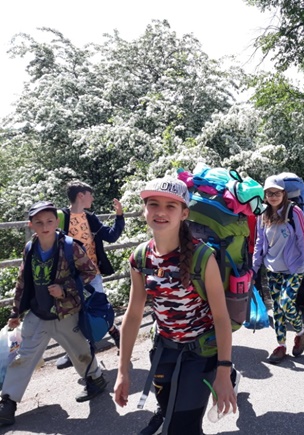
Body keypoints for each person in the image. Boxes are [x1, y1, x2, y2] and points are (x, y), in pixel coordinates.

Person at [113, 178, 237, 435]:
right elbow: (133, 315)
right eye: (153, 204)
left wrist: (223, 371)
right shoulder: (140, 257)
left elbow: (221, 317)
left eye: (171, 206)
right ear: (144, 210)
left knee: (183, 428)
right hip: (164, 351)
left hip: (200, 354)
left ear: (184, 213)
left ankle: (229, 376)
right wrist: (123, 371)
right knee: (169, 411)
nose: (161, 211)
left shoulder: (203, 257)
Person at [0, 201, 107, 427]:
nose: (45, 226)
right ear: (31, 225)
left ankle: (95, 380)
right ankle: (7, 403)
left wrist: (64, 288)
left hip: (66, 312)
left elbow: (89, 272)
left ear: (56, 221)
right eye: (39, 222)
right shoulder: (30, 248)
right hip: (38, 313)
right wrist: (15, 312)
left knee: (80, 351)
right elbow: (22, 281)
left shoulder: (70, 247)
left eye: (49, 221)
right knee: (23, 357)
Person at [56, 180, 125, 369]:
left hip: (92, 272)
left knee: (98, 309)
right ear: (81, 195)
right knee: (73, 313)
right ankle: (78, 352)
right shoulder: (61, 217)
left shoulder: (90, 217)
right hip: (70, 276)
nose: (92, 198)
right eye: (90, 194)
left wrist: (119, 216)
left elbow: (111, 236)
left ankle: (112, 334)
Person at [252, 175, 304, 364]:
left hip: (294, 268)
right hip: (272, 268)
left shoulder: (294, 212)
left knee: (285, 302)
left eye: (277, 193)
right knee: (277, 309)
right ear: (265, 195)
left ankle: (300, 330)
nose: (273, 196)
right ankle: (281, 345)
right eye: (269, 193)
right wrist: (253, 270)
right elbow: (259, 243)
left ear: (284, 193)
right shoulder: (263, 214)